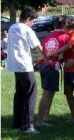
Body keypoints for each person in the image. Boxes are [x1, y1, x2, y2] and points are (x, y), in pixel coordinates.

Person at [7, 6, 51, 134]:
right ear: (28, 18)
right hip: (24, 65)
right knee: (31, 94)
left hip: (14, 65)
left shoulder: (12, 27)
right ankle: (27, 125)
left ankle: (17, 122)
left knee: (20, 93)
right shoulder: (26, 29)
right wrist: (47, 61)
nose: (33, 23)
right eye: (33, 21)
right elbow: (39, 47)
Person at [48, 16, 74, 123]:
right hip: (67, 67)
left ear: (69, 27)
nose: (62, 29)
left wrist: (53, 53)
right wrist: (61, 57)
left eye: (64, 27)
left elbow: (70, 46)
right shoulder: (63, 34)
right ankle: (73, 117)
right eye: (62, 27)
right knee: (68, 92)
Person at [35, 16, 70, 126]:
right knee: (47, 93)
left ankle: (46, 115)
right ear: (64, 25)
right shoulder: (65, 37)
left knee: (50, 92)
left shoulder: (48, 36)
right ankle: (40, 120)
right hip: (52, 66)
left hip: (42, 65)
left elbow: (43, 50)